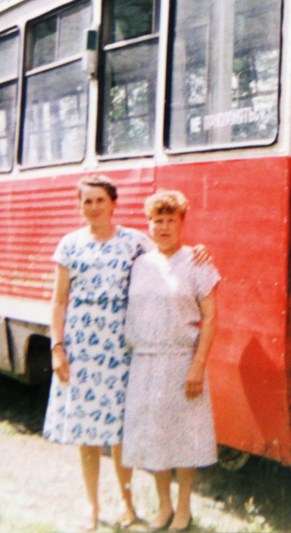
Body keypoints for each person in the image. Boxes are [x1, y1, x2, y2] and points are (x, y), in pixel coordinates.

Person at [43, 174, 145, 531]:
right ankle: (92, 506)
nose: (94, 207)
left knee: (120, 431)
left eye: (100, 200)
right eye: (87, 201)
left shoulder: (135, 242)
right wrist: (57, 348)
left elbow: (168, 259)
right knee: (86, 430)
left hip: (121, 346)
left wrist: (199, 253)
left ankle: (128, 505)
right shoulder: (69, 245)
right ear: (79, 206)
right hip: (81, 346)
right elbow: (58, 302)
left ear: (114, 203)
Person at [120, 190, 220, 532]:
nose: (163, 227)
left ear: (182, 223)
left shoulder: (197, 262)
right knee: (154, 438)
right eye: (157, 220)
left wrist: (198, 365)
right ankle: (163, 506)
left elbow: (211, 318)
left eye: (170, 220)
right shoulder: (140, 264)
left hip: (181, 362)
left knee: (184, 437)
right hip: (145, 363)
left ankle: (184, 508)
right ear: (148, 225)